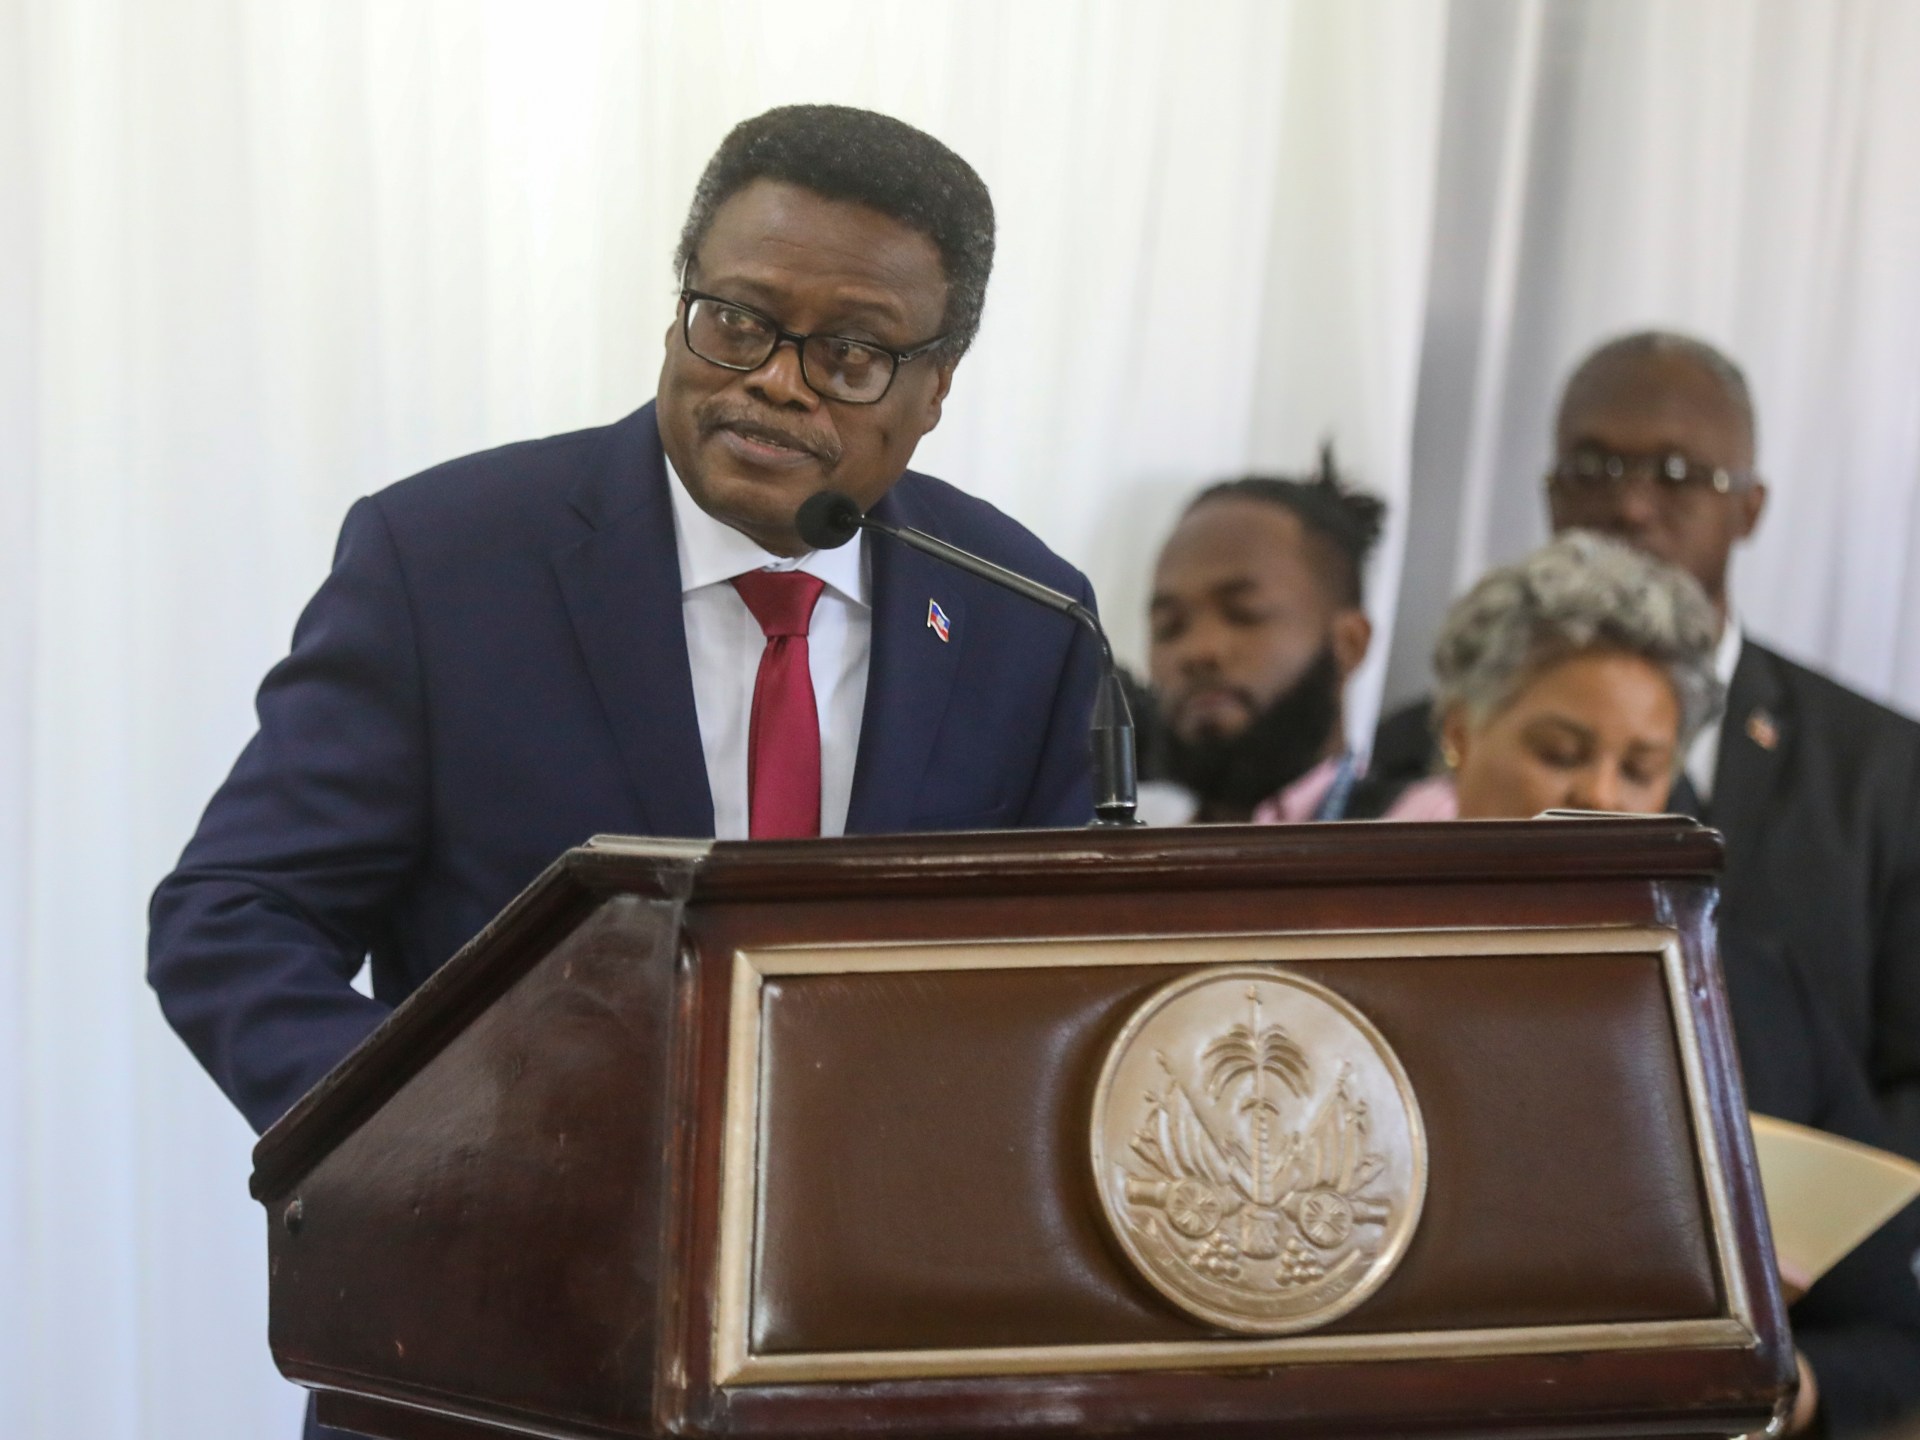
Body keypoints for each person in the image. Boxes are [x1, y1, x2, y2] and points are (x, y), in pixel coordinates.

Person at [149, 104, 1104, 1141]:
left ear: (935, 389)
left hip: (888, 1223)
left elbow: (1069, 977)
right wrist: (434, 1143)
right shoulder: (445, 565)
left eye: (850, 354)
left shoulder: (1025, 616)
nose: (776, 381)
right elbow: (236, 919)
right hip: (521, 1217)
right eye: (736, 321)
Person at [1410, 529, 1920, 1439]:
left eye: (1641, 767)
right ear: (1459, 731)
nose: (1603, 793)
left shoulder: (1759, 996)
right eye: (1560, 750)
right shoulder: (1357, 968)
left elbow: (1891, 1334)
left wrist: (1782, 1389)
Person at [1375, 331, 1920, 1159]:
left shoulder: (1885, 769)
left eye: (1676, 473)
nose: (1631, 506)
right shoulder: (1402, 746)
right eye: (1595, 467)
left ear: (1751, 507)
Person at [1142, 448, 1391, 823]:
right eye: (1169, 626)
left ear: (1349, 642)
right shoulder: (1120, 841)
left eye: (1244, 614)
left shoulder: (1420, 832)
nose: (1199, 650)